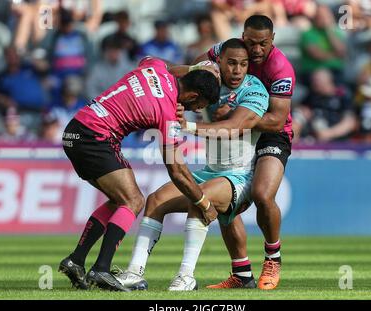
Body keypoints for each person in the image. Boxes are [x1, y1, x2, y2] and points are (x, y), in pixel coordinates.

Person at [114, 38, 270, 291]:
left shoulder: (254, 89)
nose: (237, 70)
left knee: (201, 200)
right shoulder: (209, 80)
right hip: (211, 172)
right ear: (219, 62)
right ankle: (134, 272)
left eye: (243, 64)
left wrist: (189, 126)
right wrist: (192, 70)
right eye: (231, 63)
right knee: (154, 200)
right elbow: (166, 71)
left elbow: (233, 128)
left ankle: (185, 276)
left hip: (241, 176)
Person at [58, 56, 221, 291]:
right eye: (198, 106)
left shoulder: (156, 69)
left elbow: (154, 60)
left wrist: (196, 68)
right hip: (95, 138)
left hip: (76, 130)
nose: (194, 110)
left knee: (119, 200)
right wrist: (204, 202)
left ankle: (76, 260)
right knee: (133, 200)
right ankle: (101, 269)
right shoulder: (167, 113)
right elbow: (177, 171)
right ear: (193, 96)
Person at [193, 15, 295, 290]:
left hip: (271, 135)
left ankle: (273, 258)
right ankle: (242, 274)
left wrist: (239, 117)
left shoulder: (280, 68)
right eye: (251, 43)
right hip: (234, 130)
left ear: (273, 39)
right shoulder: (229, 50)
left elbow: (275, 120)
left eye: (263, 44)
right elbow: (198, 67)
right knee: (227, 199)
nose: (257, 50)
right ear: (242, 36)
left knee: (262, 194)